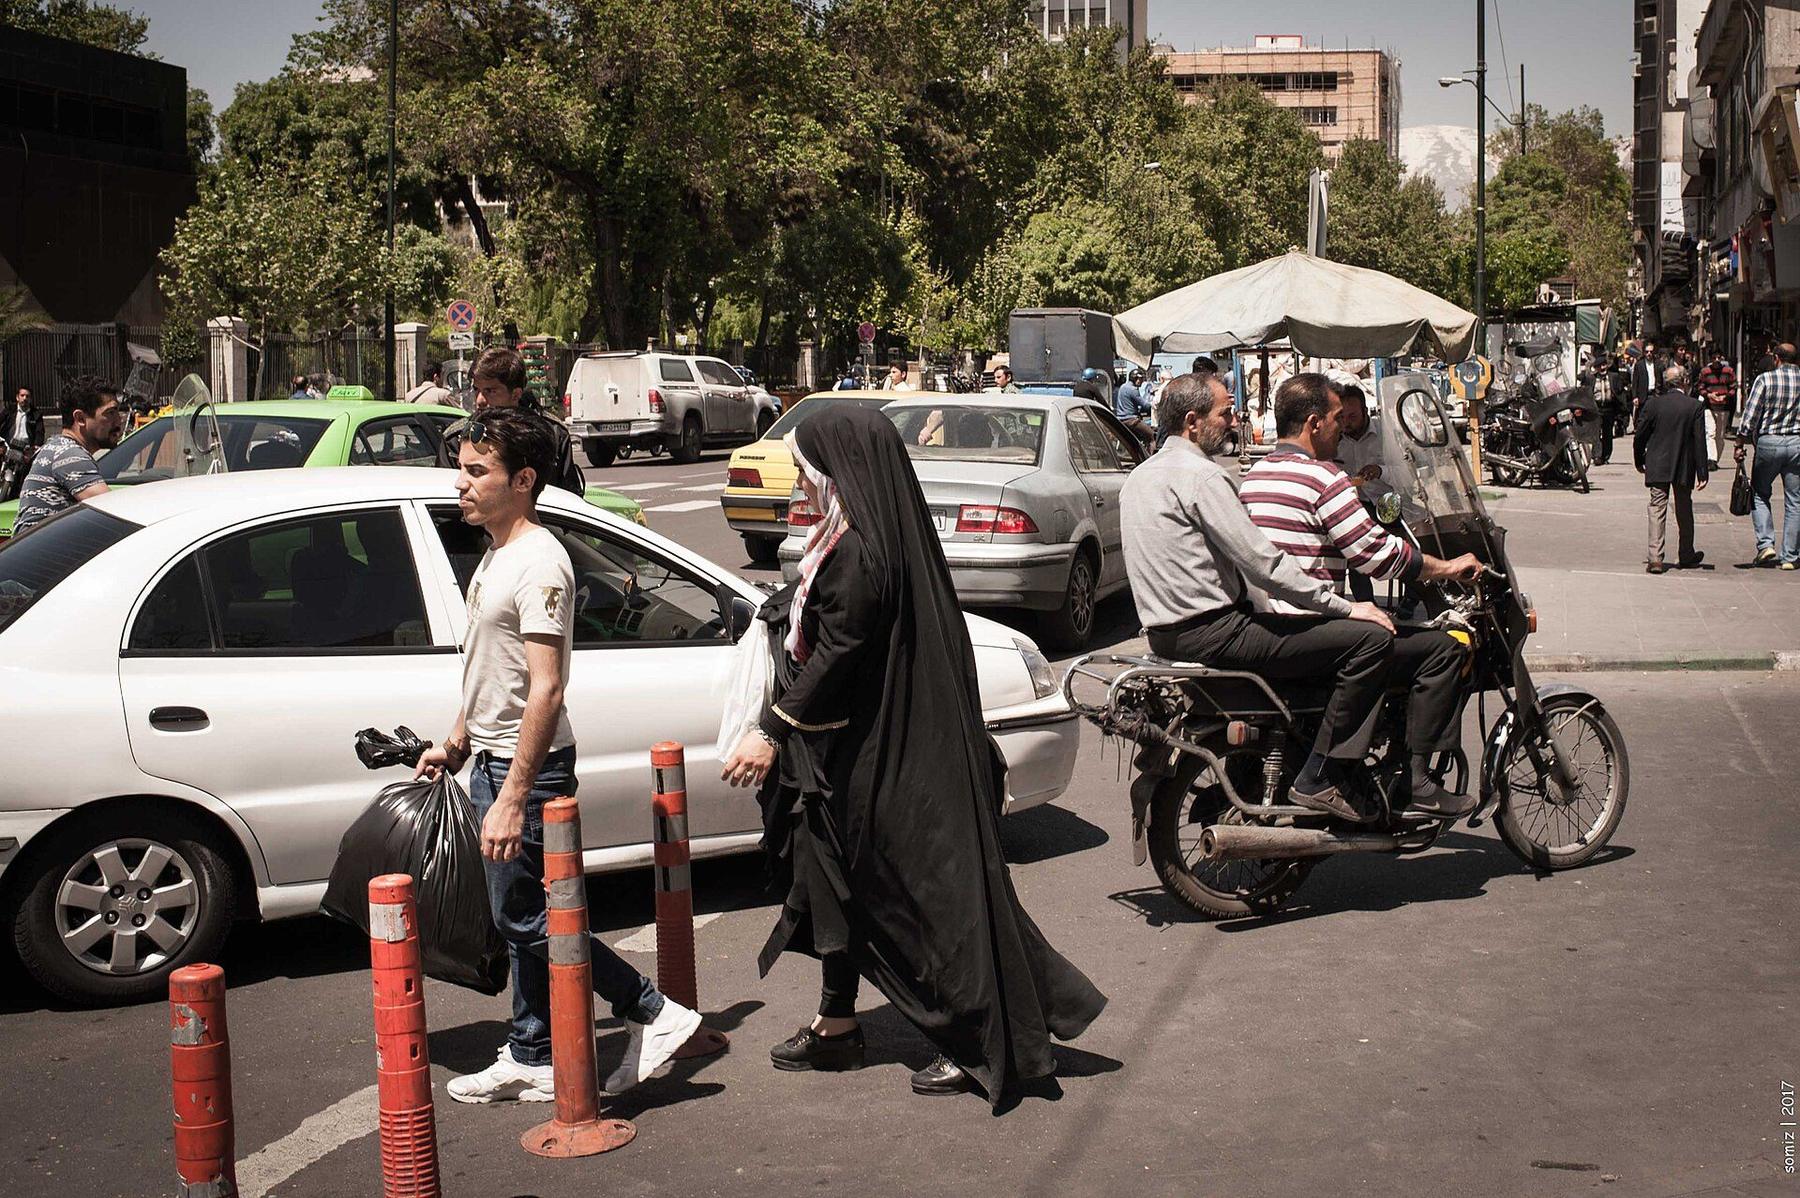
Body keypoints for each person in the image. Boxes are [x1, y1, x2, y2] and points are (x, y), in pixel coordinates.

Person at [720, 405, 1105, 1105]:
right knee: (831, 886)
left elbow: (840, 649)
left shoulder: (862, 551)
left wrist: (770, 728)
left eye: (808, 470)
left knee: (920, 905)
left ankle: (977, 1034)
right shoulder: (851, 539)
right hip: (849, 752)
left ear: (839, 471)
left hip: (887, 764)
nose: (801, 484)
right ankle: (837, 1025)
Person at [415, 407, 699, 1103]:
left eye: (477, 471)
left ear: (524, 481)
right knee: (521, 926)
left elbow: (546, 688)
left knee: (528, 917)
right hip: (490, 758)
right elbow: (494, 667)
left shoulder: (541, 564)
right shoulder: (499, 551)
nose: (461, 483)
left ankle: (651, 1009)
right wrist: (457, 740)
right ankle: (532, 1052)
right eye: (463, 467)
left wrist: (513, 795)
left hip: (527, 771)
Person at [1118, 370, 1404, 824]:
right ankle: (1321, 776)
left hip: (1165, 635)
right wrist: (1346, 606)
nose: (1233, 422)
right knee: (1368, 640)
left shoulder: (1139, 477)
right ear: (1193, 423)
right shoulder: (1203, 479)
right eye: (1225, 414)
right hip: (1217, 632)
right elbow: (1264, 565)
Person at [1239, 374, 1484, 817]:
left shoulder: (1255, 476)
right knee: (1443, 649)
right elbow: (1373, 554)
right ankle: (1418, 780)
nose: (1342, 428)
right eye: (1336, 419)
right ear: (1314, 423)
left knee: (1381, 626)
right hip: (1309, 626)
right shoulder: (1323, 478)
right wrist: (1447, 566)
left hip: (1271, 624)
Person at [439, 347, 584, 495]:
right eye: (476, 390)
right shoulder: (458, 438)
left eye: (490, 391)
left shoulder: (553, 433)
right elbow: (443, 502)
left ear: (516, 394)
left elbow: (569, 498)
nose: (480, 400)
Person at [13, 375, 122, 537]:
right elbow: (117, 513)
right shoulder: (70, 455)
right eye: (110, 413)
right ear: (80, 418)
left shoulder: (57, 447)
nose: (118, 421)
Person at [1633, 361, 1709, 574]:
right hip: (1683, 465)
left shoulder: (1654, 405)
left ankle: (1655, 557)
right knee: (1684, 507)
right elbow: (1699, 441)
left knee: (1657, 508)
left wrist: (1639, 460)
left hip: (1658, 464)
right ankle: (1686, 553)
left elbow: (1640, 435)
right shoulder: (1694, 406)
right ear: (1684, 382)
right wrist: (1702, 471)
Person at [1734, 341, 1800, 568]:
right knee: (1795, 499)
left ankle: (1766, 544)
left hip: (1768, 443)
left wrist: (1740, 441)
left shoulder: (1765, 379)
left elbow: (1750, 414)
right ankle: (1790, 556)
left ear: (1776, 359)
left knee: (1760, 493)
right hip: (1796, 443)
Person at [1697, 349, 1737, 466]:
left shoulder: (1728, 371)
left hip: (1723, 407)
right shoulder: (1705, 372)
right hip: (1709, 406)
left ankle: (1715, 459)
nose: (1716, 360)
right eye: (1714, 358)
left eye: (1718, 358)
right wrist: (1709, 394)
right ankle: (1711, 460)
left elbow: (1733, 387)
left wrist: (1726, 396)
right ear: (1710, 359)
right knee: (1710, 433)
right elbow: (1700, 386)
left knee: (1720, 435)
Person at [1113, 368, 1152, 445]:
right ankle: (1151, 456)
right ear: (1135, 379)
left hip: (1121, 419)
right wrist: (1154, 404)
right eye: (1140, 379)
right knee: (1151, 436)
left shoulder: (1123, 387)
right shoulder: (1133, 389)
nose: (1142, 381)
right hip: (1131, 420)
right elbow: (1145, 405)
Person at [1628, 343, 1658, 431]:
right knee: (1643, 418)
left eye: (1651, 351)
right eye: (1647, 351)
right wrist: (1635, 397)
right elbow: (1635, 382)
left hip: (1655, 394)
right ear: (1644, 353)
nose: (1649, 353)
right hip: (1643, 395)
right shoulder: (1639, 365)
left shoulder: (1658, 364)